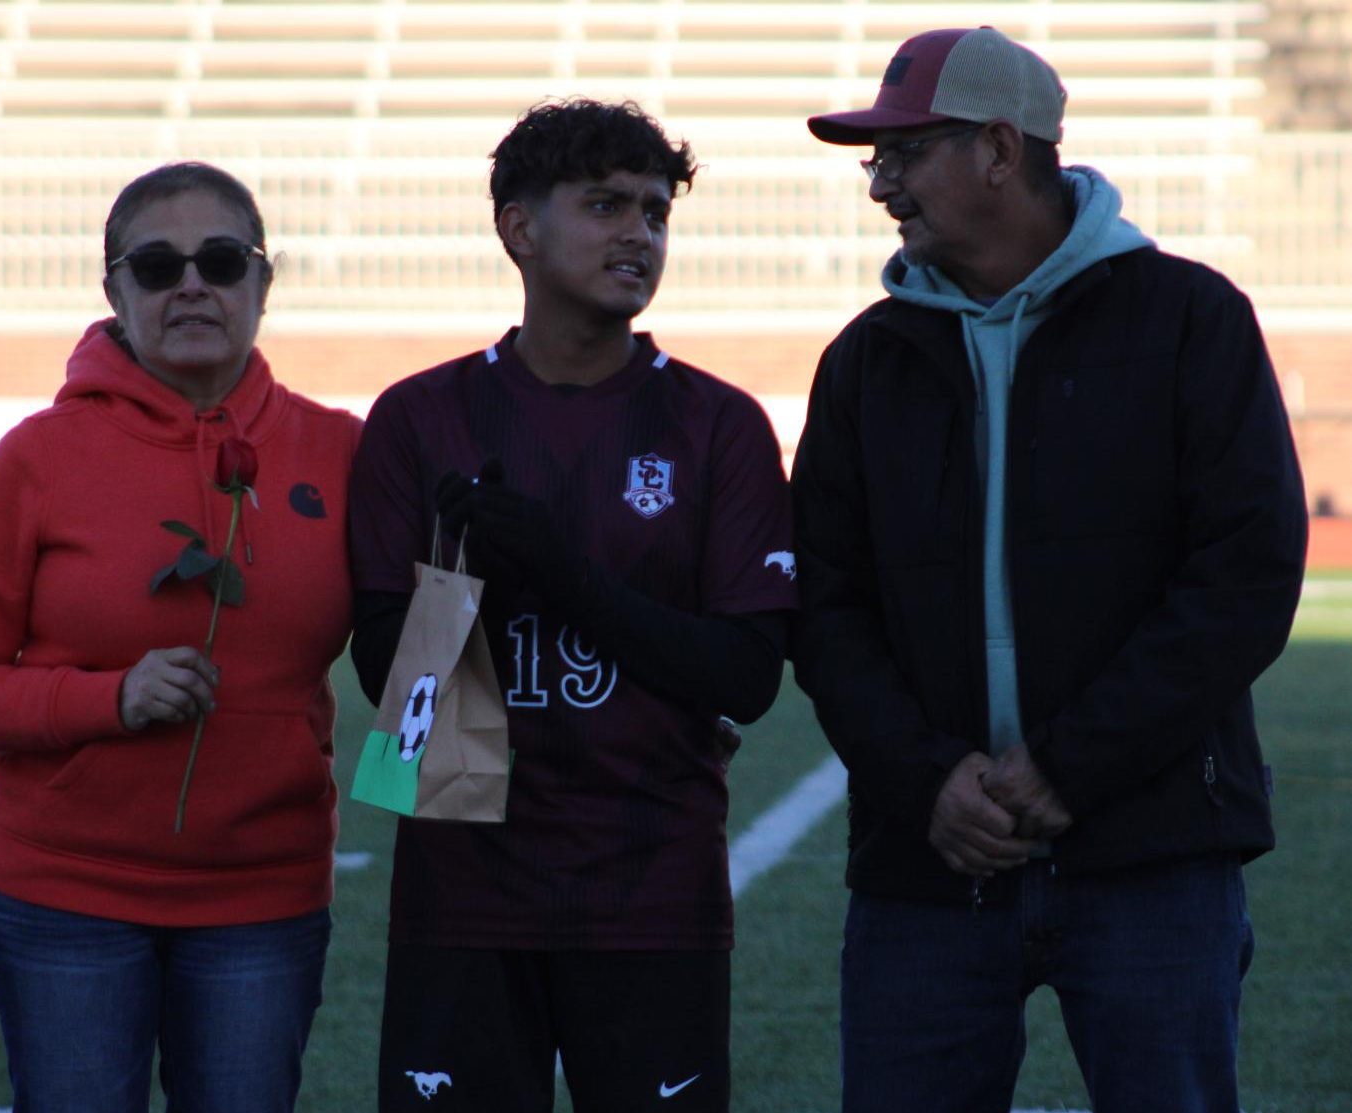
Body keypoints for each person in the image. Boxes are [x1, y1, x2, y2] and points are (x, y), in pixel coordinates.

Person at [790, 27, 1307, 1113]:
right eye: (871, 160)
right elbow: (826, 608)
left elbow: (1246, 576)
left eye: (902, 153)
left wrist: (1067, 765)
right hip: (926, 863)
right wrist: (927, 779)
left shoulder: (1189, 319)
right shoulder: (863, 362)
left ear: (994, 149)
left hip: (1153, 855)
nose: (879, 184)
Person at [348, 98, 798, 1113]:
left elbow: (746, 676)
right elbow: (388, 682)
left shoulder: (718, 423)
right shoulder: (420, 416)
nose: (638, 233)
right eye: (604, 205)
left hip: (653, 888)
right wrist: (465, 584)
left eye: (654, 212)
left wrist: (560, 572)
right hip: (462, 892)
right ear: (519, 228)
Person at [0, 162, 362, 1112]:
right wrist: (108, 696)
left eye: (222, 260)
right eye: (156, 266)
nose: (191, 284)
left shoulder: (342, 452)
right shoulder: (38, 456)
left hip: (264, 898)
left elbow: (424, 651)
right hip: (64, 896)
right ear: (113, 290)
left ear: (263, 284)